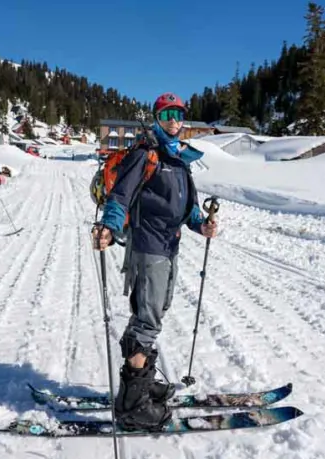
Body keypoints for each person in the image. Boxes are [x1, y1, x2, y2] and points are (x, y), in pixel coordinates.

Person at [91, 92, 218, 430]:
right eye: (166, 115)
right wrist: (110, 225)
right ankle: (132, 407)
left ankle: (140, 385)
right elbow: (120, 196)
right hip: (148, 247)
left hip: (169, 246)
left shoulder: (178, 159)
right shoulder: (145, 154)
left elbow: (187, 205)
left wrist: (200, 224)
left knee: (156, 311)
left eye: (178, 115)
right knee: (147, 321)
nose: (174, 121)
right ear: (156, 118)